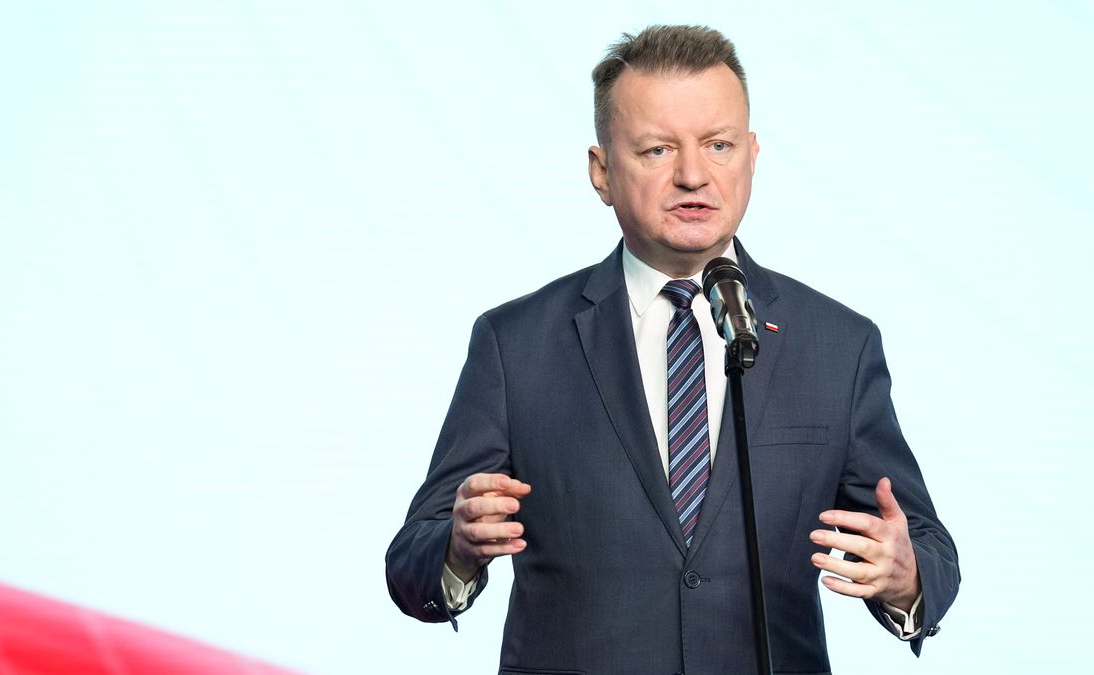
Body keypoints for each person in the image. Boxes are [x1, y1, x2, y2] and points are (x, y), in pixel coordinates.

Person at [386, 25, 959, 675]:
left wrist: (905, 576)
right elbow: (412, 564)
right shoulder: (515, 343)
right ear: (603, 172)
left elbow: (930, 554)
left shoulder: (837, 344)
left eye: (718, 145)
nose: (693, 175)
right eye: (657, 150)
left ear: (751, 154)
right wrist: (457, 551)